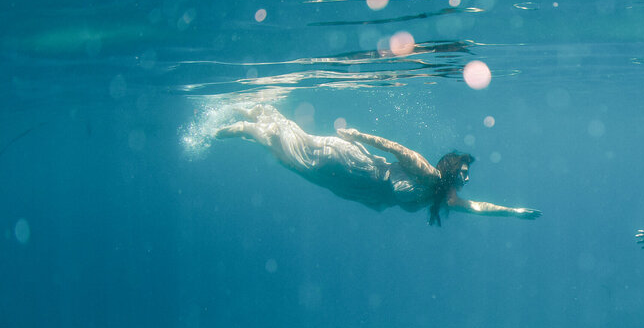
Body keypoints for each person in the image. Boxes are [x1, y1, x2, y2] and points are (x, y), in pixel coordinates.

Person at [215, 104, 541, 225]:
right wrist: (357, 134)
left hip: (357, 187)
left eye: (468, 174)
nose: (467, 178)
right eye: (464, 172)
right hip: (356, 166)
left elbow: (479, 208)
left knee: (294, 158)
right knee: (298, 155)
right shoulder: (428, 173)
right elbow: (396, 148)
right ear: (451, 168)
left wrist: (515, 213)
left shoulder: (443, 197)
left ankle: (263, 116)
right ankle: (252, 124)